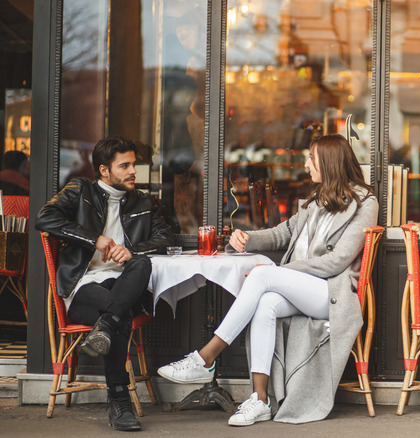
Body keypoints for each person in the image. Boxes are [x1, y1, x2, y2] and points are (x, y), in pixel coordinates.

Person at [157, 133, 378, 426]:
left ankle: (205, 357)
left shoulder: (365, 202)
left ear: (329, 162)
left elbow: (338, 260)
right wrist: (248, 239)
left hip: (333, 293)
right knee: (267, 303)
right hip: (304, 288)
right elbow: (284, 232)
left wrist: (280, 272)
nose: (306, 163)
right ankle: (260, 399)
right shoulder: (315, 199)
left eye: (311, 158)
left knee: (262, 276)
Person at [36, 137, 173, 431]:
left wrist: (133, 251)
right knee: (120, 314)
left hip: (125, 284)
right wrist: (93, 239)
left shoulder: (143, 202)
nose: (132, 171)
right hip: (84, 287)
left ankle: (106, 326)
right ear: (103, 170)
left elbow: (166, 239)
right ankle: (119, 400)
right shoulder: (80, 191)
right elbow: (44, 218)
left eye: (133, 164)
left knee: (141, 264)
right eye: (124, 165)